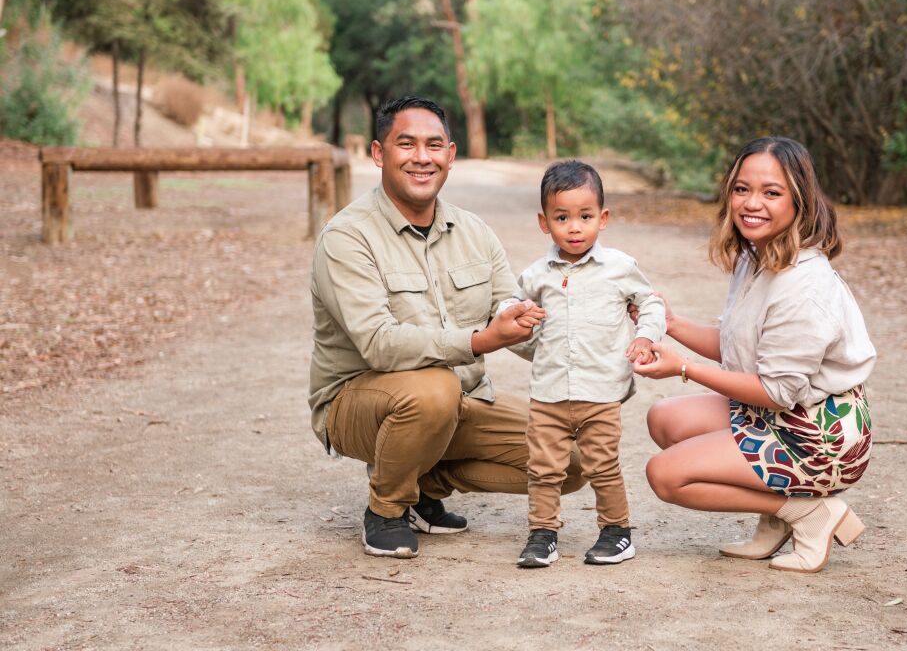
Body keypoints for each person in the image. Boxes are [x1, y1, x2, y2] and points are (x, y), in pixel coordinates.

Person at [308, 96, 584, 560]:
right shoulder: (346, 237)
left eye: (434, 145)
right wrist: (480, 341)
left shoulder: (474, 230)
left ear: (450, 156)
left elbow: (511, 312)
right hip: (358, 404)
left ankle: (424, 481)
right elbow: (378, 344)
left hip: (461, 401)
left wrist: (596, 331)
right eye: (406, 144)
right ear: (379, 154)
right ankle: (387, 509)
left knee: (570, 459)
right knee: (433, 390)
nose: (422, 157)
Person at [632, 136, 876, 573]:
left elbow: (776, 390)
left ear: (800, 200)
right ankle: (776, 515)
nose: (751, 203)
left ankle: (807, 513)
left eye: (771, 192)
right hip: (783, 415)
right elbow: (741, 347)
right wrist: (670, 324)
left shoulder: (805, 285)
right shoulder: (758, 255)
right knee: (664, 419)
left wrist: (683, 368)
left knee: (666, 475)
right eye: (742, 189)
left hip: (819, 437)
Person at [504, 161, 666, 568]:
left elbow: (651, 301)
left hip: (600, 392)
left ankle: (617, 532)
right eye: (562, 217)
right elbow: (511, 306)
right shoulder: (537, 275)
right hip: (549, 392)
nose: (574, 227)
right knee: (543, 468)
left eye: (585, 216)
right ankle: (543, 534)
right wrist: (516, 315)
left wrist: (646, 336)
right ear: (545, 223)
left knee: (602, 464)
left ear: (603, 218)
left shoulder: (619, 268)